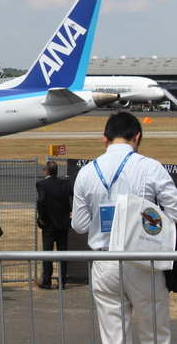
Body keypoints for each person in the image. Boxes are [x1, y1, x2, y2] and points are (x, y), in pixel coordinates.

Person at [72, 112, 177, 344]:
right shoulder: (151, 167)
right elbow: (175, 212)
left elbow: (79, 225)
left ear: (104, 138)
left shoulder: (86, 172)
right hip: (143, 259)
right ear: (137, 137)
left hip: (104, 262)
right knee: (155, 334)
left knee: (114, 336)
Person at [36, 160, 72, 289]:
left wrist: (41, 218)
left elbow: (41, 201)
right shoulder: (65, 184)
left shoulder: (42, 184)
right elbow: (73, 197)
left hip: (49, 225)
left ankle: (46, 281)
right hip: (63, 224)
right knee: (63, 254)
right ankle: (62, 282)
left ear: (46, 171)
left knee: (47, 254)